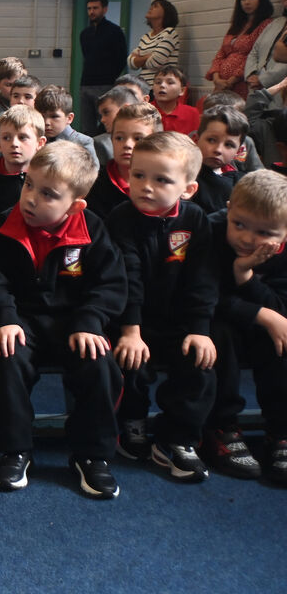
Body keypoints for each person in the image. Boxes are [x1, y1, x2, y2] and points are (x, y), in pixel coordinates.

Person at [0, 142, 126, 498]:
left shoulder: (93, 229)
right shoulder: (3, 223)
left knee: (99, 364)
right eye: (28, 184)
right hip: (22, 320)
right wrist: (5, 318)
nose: (30, 198)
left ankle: (92, 455)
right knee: (7, 357)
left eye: (48, 194)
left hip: (75, 321)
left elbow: (110, 284)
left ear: (75, 205)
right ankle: (15, 448)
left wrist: (90, 321)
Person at [107, 131, 217, 482]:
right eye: (138, 175)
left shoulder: (195, 220)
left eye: (161, 180)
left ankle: (177, 438)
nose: (146, 186)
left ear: (188, 189)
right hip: (131, 321)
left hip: (179, 320)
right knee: (132, 365)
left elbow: (203, 277)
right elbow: (127, 276)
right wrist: (131, 330)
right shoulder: (121, 217)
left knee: (200, 366)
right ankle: (132, 423)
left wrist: (200, 329)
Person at [204, 171, 287, 482]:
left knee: (281, 339)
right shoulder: (211, 231)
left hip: (262, 324)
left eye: (265, 232)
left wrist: (245, 277)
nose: (248, 239)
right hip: (217, 322)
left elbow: (281, 308)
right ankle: (222, 427)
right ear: (228, 209)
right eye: (238, 224)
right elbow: (203, 296)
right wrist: (261, 313)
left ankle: (280, 432)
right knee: (218, 335)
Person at [86, 102, 162, 218]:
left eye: (138, 138)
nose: (127, 144)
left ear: (156, 143)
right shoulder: (93, 185)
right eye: (119, 138)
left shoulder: (165, 184)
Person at [206, 0, 274, 99]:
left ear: (261, 0)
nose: (246, 2)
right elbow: (221, 54)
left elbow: (254, 56)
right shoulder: (237, 25)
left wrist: (232, 80)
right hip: (221, 84)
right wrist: (217, 78)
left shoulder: (266, 24)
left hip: (242, 83)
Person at [78, 0, 128, 121]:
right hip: (86, 83)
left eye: (95, 8)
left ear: (104, 9)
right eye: (89, 8)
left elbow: (121, 58)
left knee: (105, 121)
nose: (92, 12)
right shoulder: (85, 33)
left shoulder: (115, 31)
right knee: (87, 124)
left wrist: (110, 78)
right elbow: (87, 56)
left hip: (106, 84)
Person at [193, 106, 248, 215]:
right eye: (211, 140)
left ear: (239, 151)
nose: (218, 150)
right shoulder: (184, 177)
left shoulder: (241, 182)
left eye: (229, 145)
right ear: (196, 139)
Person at [35, 85, 98, 167]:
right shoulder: (36, 142)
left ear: (69, 118)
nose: (46, 122)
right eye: (42, 116)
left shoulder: (82, 142)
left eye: (54, 116)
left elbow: (92, 174)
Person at [126, 0, 182, 87]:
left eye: (155, 6)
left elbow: (155, 63)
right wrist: (148, 56)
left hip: (161, 86)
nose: (150, 8)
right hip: (144, 86)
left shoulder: (170, 33)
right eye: (151, 6)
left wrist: (140, 59)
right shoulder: (146, 37)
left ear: (166, 13)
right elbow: (131, 63)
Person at [245, 0, 287, 90]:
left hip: (280, 91)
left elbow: (284, 60)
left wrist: (263, 80)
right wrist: (251, 74)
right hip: (256, 89)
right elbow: (254, 51)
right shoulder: (275, 23)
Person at [93, 85, 140, 164]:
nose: (102, 120)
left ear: (125, 109)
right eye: (119, 138)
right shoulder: (101, 144)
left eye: (106, 112)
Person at [152, 66, 200, 136]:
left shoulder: (192, 113)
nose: (162, 85)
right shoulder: (144, 111)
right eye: (158, 82)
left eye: (170, 82)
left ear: (182, 90)